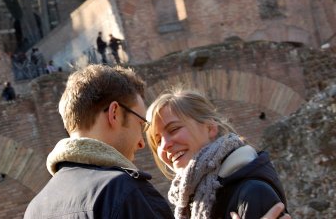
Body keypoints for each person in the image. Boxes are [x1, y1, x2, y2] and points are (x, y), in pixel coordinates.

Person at [24, 64, 174, 218]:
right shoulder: (124, 192)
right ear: (114, 113)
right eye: (140, 124)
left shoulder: (34, 209)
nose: (142, 143)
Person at [146, 88, 288, 219]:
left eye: (174, 129)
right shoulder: (189, 202)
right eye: (157, 141)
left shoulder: (253, 192)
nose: (165, 145)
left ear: (210, 128)